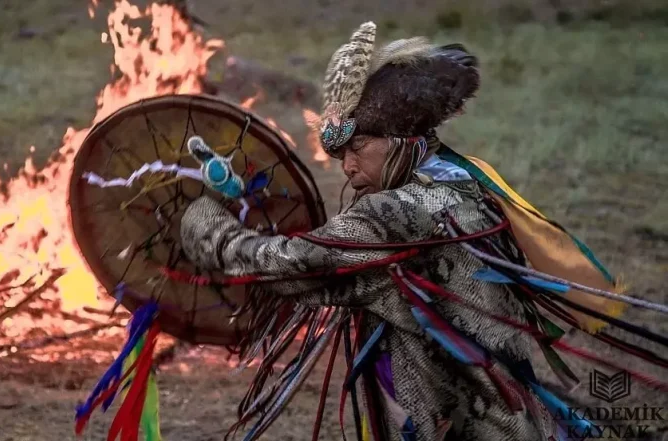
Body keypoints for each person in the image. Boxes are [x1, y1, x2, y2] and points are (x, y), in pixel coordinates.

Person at [179, 22, 626, 441]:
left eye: (357, 147)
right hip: (502, 410)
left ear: (400, 139)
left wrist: (205, 225)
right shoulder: (464, 180)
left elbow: (291, 265)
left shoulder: (389, 215)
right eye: (341, 155)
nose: (348, 167)